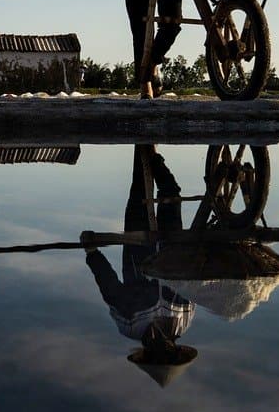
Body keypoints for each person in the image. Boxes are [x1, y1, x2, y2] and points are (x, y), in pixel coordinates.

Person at [83, 144, 197, 387]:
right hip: (172, 245)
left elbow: (109, 286)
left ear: (147, 354)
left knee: (139, 192)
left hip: (137, 248)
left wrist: (92, 252)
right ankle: (152, 154)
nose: (164, 348)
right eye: (169, 352)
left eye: (159, 355)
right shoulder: (184, 320)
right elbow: (193, 281)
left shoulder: (130, 325)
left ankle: (141, 143)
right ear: (176, 350)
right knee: (171, 193)